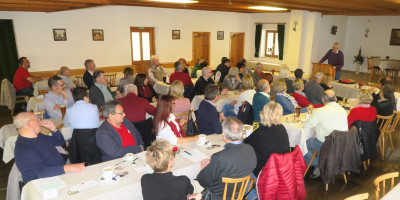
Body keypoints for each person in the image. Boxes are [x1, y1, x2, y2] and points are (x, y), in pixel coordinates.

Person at [14, 112, 85, 183]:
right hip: (43, 183)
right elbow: (41, 172)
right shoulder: (23, 149)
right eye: (37, 119)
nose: (40, 121)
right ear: (29, 124)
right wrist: (69, 167)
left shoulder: (38, 136)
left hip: (58, 174)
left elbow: (60, 142)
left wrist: (52, 127)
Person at [197, 117, 257, 200]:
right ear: (242, 133)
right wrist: (213, 163)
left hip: (218, 197)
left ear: (224, 135)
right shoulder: (250, 149)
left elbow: (202, 181)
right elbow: (235, 161)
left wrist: (205, 169)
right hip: (240, 195)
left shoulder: (219, 158)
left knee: (192, 184)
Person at [303, 90, 348, 178]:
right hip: (342, 145)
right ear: (335, 99)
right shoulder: (343, 110)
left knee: (303, 143)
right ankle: (322, 164)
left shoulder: (320, 111)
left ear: (323, 99)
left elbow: (307, 125)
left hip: (327, 145)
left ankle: (318, 164)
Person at [244, 102, 290, 177]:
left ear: (263, 114)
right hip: (282, 169)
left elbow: (245, 144)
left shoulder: (260, 132)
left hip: (266, 172)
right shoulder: (282, 128)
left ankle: (250, 187)